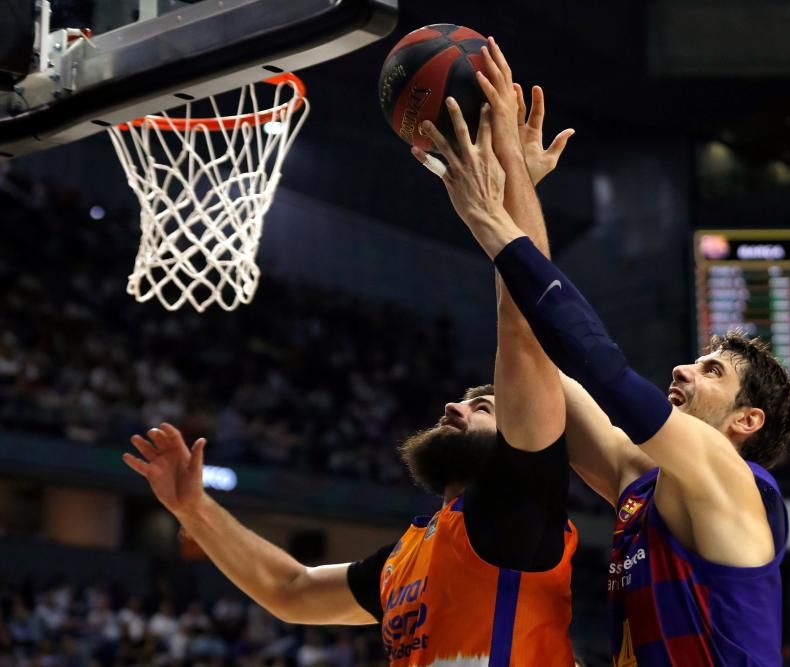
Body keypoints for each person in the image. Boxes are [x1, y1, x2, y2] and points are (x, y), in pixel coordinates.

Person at [122, 46, 579, 666]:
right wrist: (195, 510)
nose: (456, 403)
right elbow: (291, 591)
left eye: (482, 404)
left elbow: (525, 325)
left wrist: (508, 176)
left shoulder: (520, 508)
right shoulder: (409, 555)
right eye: (470, 398)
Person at [414, 37, 790, 667]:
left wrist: (491, 220)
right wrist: (513, 172)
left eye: (712, 371)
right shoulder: (638, 479)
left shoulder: (736, 483)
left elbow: (602, 366)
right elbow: (535, 343)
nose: (682, 368)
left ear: (746, 422)